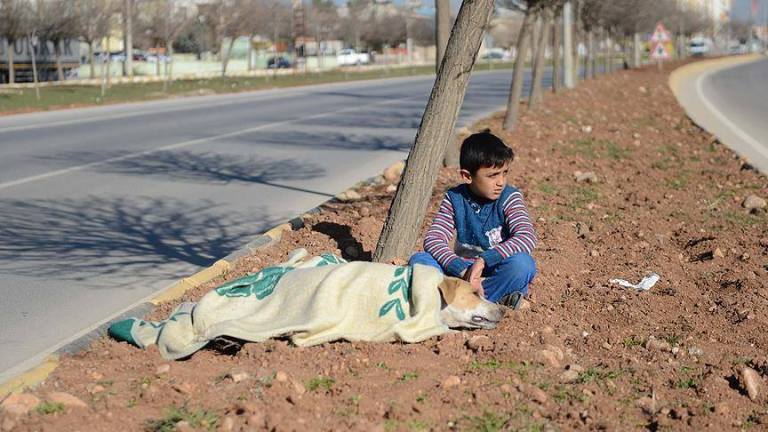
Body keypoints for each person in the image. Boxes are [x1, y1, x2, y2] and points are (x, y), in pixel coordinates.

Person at [409, 130, 537, 309]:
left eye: (504, 173)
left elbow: (526, 237)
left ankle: (456, 303)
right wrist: (462, 269)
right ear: (467, 176)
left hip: (495, 270)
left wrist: (484, 260)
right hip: (461, 271)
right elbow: (433, 239)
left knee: (522, 265)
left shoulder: (510, 197)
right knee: (420, 260)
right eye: (493, 175)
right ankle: (488, 300)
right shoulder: (455, 198)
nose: (501, 182)